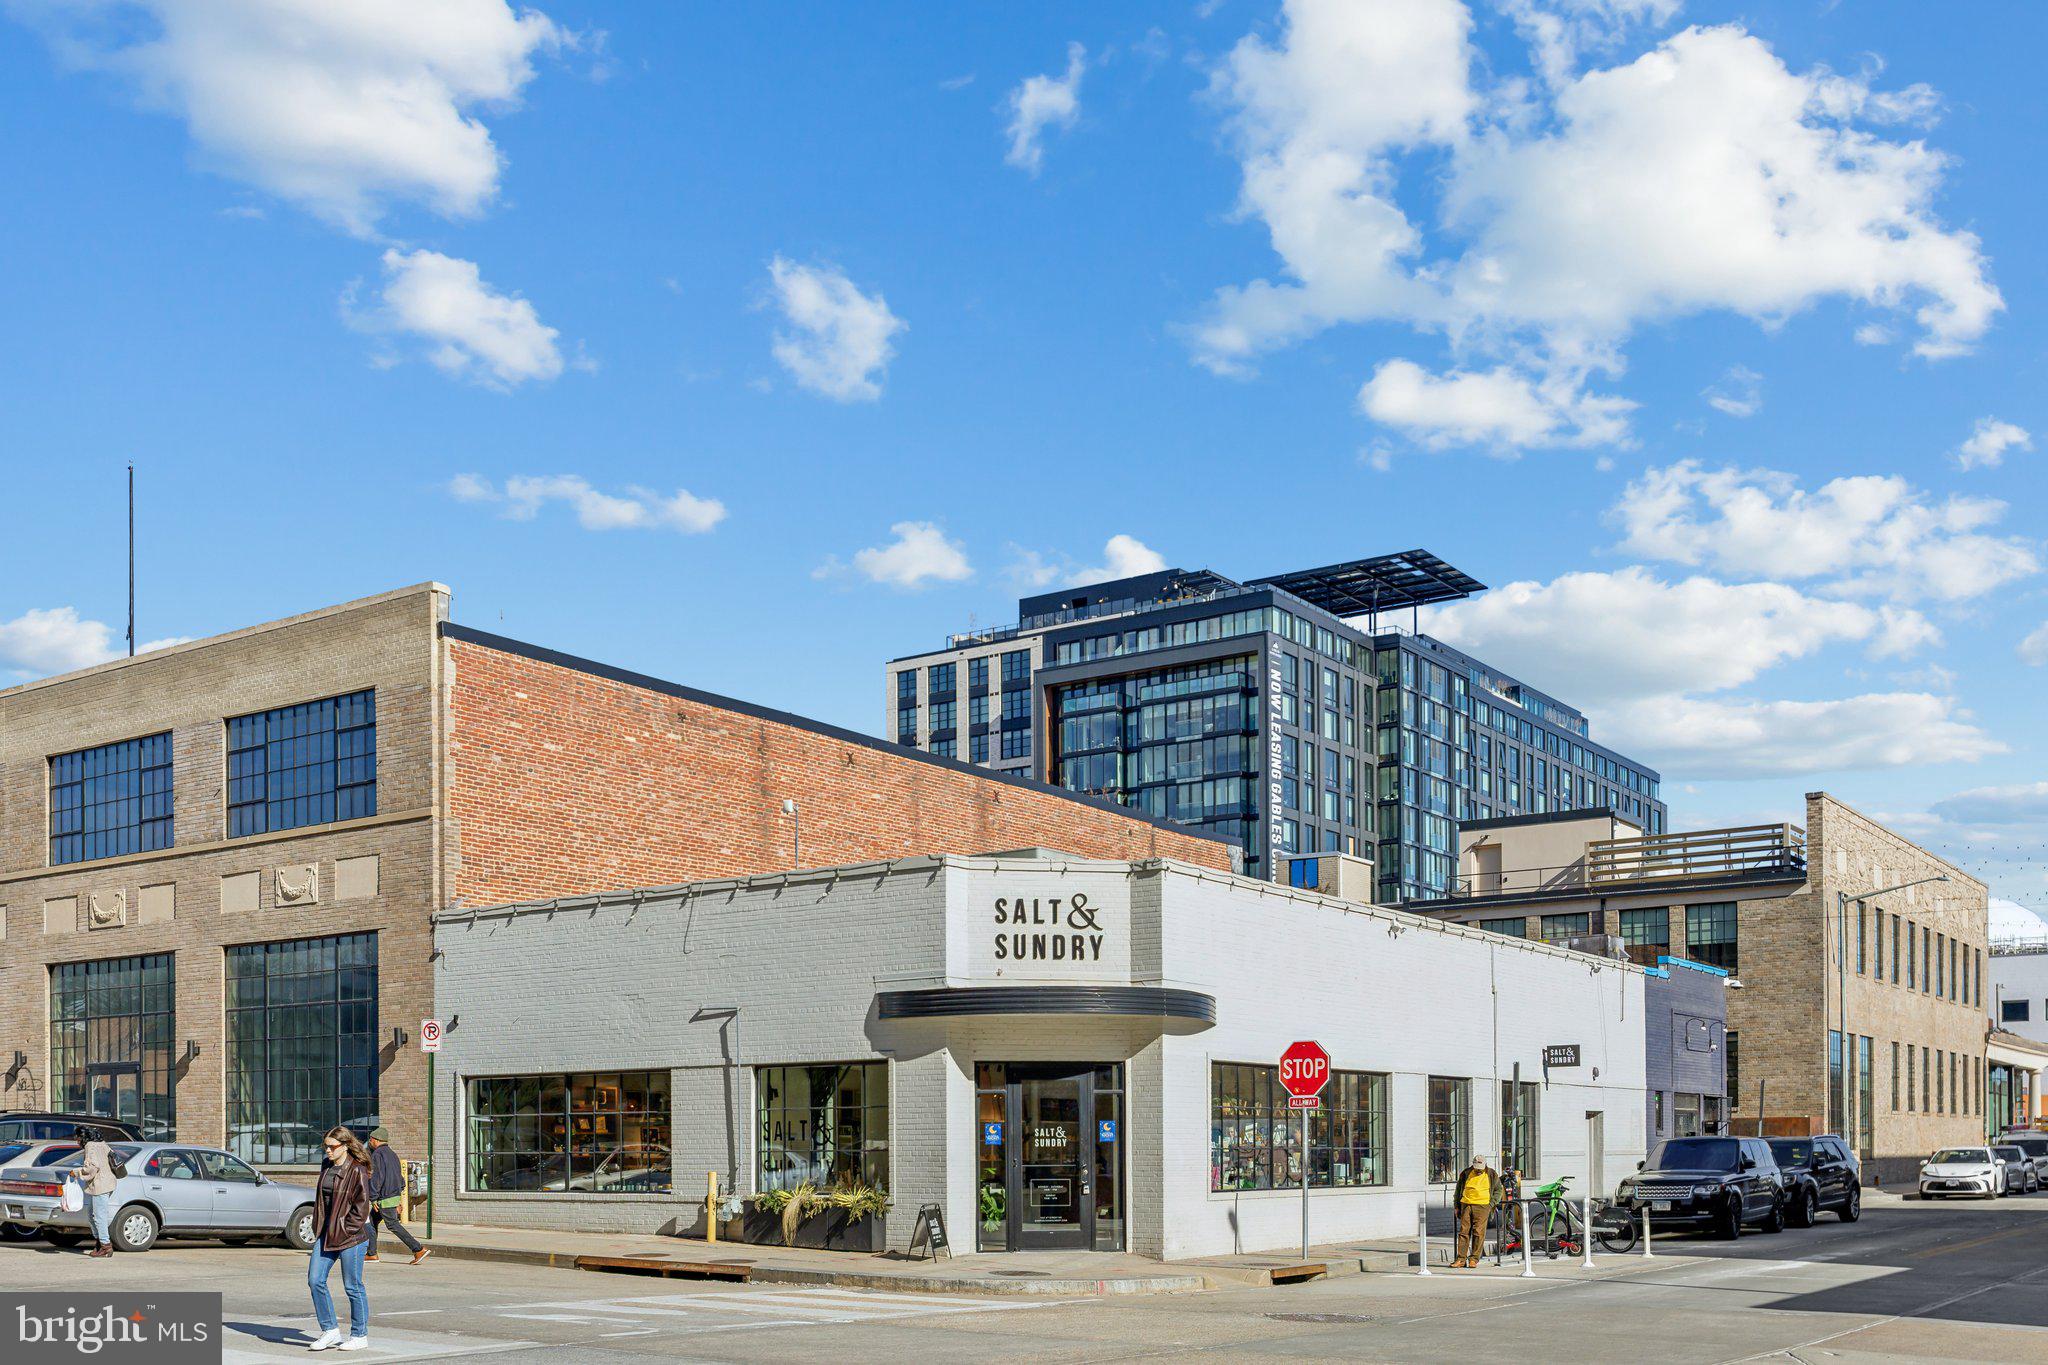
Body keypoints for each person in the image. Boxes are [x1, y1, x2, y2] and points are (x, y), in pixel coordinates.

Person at [307, 1127, 373, 1352]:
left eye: (332, 1147)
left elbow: (361, 1209)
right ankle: (330, 1330)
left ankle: (359, 1335)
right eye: (325, 1146)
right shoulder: (327, 1165)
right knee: (315, 1280)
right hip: (326, 1233)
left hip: (350, 1237)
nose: (328, 1150)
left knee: (353, 1286)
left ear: (345, 1146)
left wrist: (345, 1229)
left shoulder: (357, 1170)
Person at [364, 1127, 429, 1265]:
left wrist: (373, 1197)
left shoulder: (377, 1155)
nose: (369, 1142)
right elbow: (400, 1178)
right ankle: (371, 1253)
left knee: (392, 1224)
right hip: (393, 1195)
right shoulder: (392, 1154)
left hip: (384, 1197)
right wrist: (398, 1198)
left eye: (371, 1139)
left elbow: (377, 1178)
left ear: (376, 1140)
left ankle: (418, 1249)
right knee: (372, 1221)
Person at [76, 1126, 120, 1258]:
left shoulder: (90, 1146)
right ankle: (100, 1241)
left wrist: (77, 1172)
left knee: (99, 1216)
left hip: (100, 1185)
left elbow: (92, 1167)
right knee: (91, 1214)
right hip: (108, 1183)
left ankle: (105, 1246)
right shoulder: (102, 1144)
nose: (76, 1141)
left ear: (83, 1137)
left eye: (77, 1138)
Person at [1452, 1153, 1500, 1268]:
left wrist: (1491, 1204)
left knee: (1478, 1232)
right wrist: (1457, 1205)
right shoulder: (1466, 1173)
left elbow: (1498, 1190)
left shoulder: (1491, 1174)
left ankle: (1474, 1259)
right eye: (1476, 1168)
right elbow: (1458, 1189)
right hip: (1466, 1204)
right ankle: (1461, 1259)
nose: (1478, 1170)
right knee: (1463, 1232)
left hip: (1483, 1206)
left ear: (1485, 1165)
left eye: (1480, 1168)